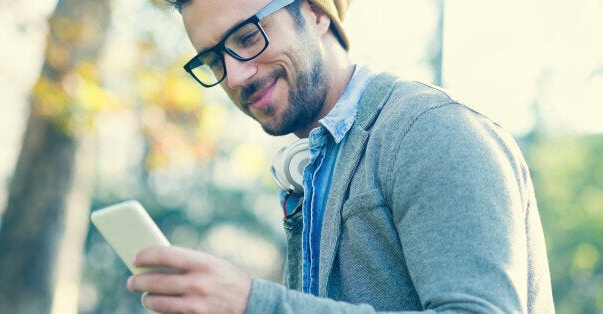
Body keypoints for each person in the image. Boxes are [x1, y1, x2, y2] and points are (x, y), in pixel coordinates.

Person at [126, 0, 556, 313]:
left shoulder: (432, 131)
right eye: (213, 60)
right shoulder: (312, 167)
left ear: (316, 12)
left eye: (246, 37)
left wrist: (253, 304)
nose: (236, 75)